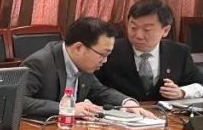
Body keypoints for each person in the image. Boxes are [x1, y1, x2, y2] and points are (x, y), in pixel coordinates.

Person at [21, 17, 155, 121]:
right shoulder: (40, 63)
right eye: (102, 54)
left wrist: (127, 102)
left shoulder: (83, 64)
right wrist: (67, 108)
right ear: (78, 48)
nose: (105, 61)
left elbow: (99, 91)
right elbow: (19, 101)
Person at [97, 0, 203, 102]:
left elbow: (199, 84)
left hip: (164, 112)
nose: (138, 35)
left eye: (147, 30)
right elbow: (93, 86)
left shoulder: (178, 52)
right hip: (119, 110)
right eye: (133, 27)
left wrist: (182, 92)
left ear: (165, 30)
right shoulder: (110, 50)